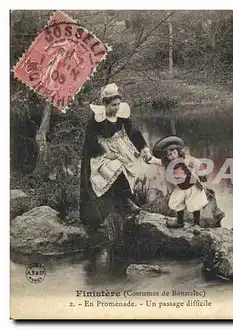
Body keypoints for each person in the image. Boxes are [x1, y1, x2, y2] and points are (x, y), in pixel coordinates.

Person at [79, 83, 153, 235]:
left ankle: (124, 203)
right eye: (113, 105)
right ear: (105, 104)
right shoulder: (97, 116)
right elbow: (90, 139)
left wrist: (144, 148)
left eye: (118, 104)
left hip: (117, 149)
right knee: (111, 173)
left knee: (128, 168)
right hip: (99, 153)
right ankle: (94, 220)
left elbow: (132, 132)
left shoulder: (121, 114)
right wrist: (105, 153)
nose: (117, 108)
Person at [147, 136, 209, 228]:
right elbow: (158, 161)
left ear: (178, 151)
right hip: (181, 188)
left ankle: (197, 224)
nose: (173, 156)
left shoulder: (186, 159)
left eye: (174, 153)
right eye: (169, 155)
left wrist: (201, 174)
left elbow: (197, 163)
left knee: (195, 204)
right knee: (176, 202)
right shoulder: (168, 164)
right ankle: (180, 221)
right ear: (166, 157)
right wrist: (150, 159)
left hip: (193, 186)